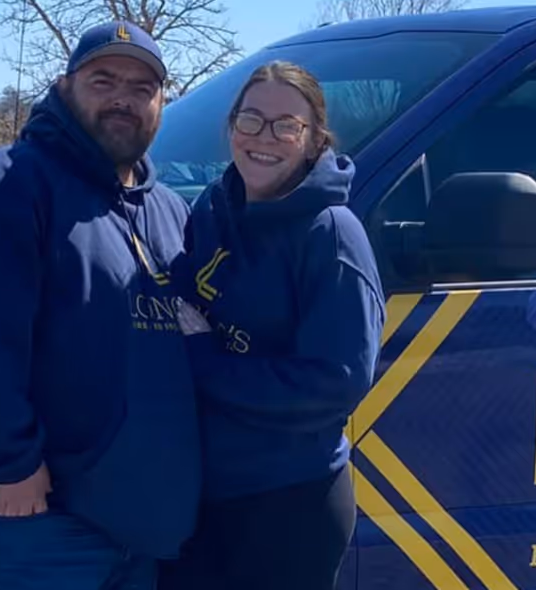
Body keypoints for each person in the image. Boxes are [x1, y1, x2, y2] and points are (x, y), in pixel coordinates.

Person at [0, 20, 201, 590]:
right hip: (36, 521)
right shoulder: (4, 187)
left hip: (140, 522)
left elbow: (185, 333)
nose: (122, 100)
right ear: (63, 88)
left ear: (161, 103)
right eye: (103, 80)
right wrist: (11, 468)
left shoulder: (169, 212)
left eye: (141, 87)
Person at [157, 61, 386, 590]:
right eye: (252, 119)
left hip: (287, 501)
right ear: (231, 126)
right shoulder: (214, 208)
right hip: (204, 490)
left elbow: (336, 383)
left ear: (313, 141)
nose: (266, 137)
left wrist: (205, 362)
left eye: (287, 125)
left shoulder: (330, 235)